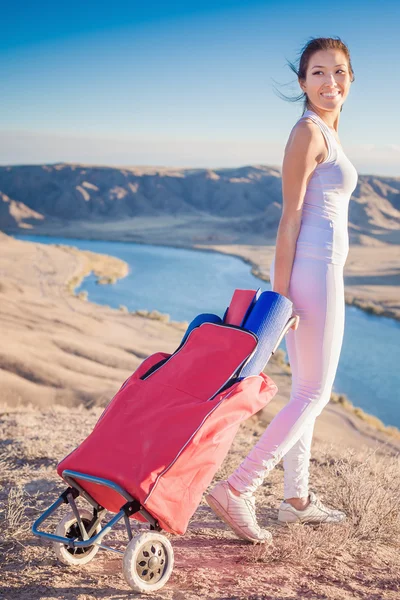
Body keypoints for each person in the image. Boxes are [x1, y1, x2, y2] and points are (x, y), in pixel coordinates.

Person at [205, 36, 358, 544]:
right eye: (318, 73)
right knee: (314, 393)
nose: (329, 82)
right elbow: (288, 220)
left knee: (306, 391)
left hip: (322, 272)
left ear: (351, 79)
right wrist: (281, 298)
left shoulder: (328, 134)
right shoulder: (307, 133)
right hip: (312, 273)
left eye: (338, 72)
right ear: (302, 82)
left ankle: (296, 499)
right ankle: (239, 487)